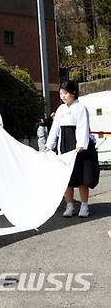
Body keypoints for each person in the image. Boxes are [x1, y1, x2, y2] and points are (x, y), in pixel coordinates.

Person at [45, 81, 100, 218]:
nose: (63, 96)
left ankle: (84, 206)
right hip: (64, 145)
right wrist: (49, 144)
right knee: (66, 178)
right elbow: (55, 128)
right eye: (61, 93)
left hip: (79, 146)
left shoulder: (80, 108)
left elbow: (83, 126)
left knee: (81, 177)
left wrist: (80, 143)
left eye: (66, 93)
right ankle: (69, 206)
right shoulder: (60, 109)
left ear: (73, 93)